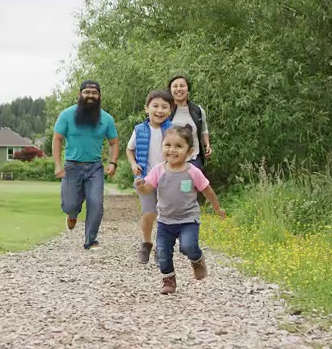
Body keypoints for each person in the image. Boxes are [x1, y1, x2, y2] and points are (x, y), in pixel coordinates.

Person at [134, 125, 226, 294]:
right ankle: (169, 280)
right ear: (162, 147)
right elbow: (148, 189)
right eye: (167, 145)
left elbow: (207, 190)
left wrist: (217, 208)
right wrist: (141, 187)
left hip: (188, 220)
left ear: (189, 151)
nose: (172, 150)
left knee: (188, 246)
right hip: (165, 221)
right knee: (162, 251)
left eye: (178, 146)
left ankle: (197, 260)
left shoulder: (193, 172)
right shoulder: (158, 170)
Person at [52, 80, 120, 250]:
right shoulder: (67, 115)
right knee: (70, 204)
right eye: (87, 92)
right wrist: (58, 166)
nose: (90, 96)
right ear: (79, 94)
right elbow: (57, 139)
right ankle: (72, 214)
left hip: (95, 168)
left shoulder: (106, 118)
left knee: (96, 203)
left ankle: (91, 240)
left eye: (94, 93)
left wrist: (112, 163)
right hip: (71, 167)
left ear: (99, 96)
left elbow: (114, 142)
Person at [126, 90, 174, 264]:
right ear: (147, 109)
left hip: (168, 179)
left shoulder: (173, 130)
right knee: (149, 213)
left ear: (170, 111)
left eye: (164, 107)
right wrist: (133, 164)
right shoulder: (139, 129)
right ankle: (146, 243)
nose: (159, 110)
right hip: (145, 178)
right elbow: (129, 149)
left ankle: (162, 247)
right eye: (155, 106)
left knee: (165, 215)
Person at [168, 75, 213, 170]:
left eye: (182, 86)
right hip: (171, 159)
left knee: (188, 185)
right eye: (175, 86)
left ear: (188, 89)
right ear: (170, 90)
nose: (179, 89)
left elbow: (204, 130)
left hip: (193, 160)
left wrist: (207, 145)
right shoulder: (165, 110)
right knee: (172, 184)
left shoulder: (198, 110)